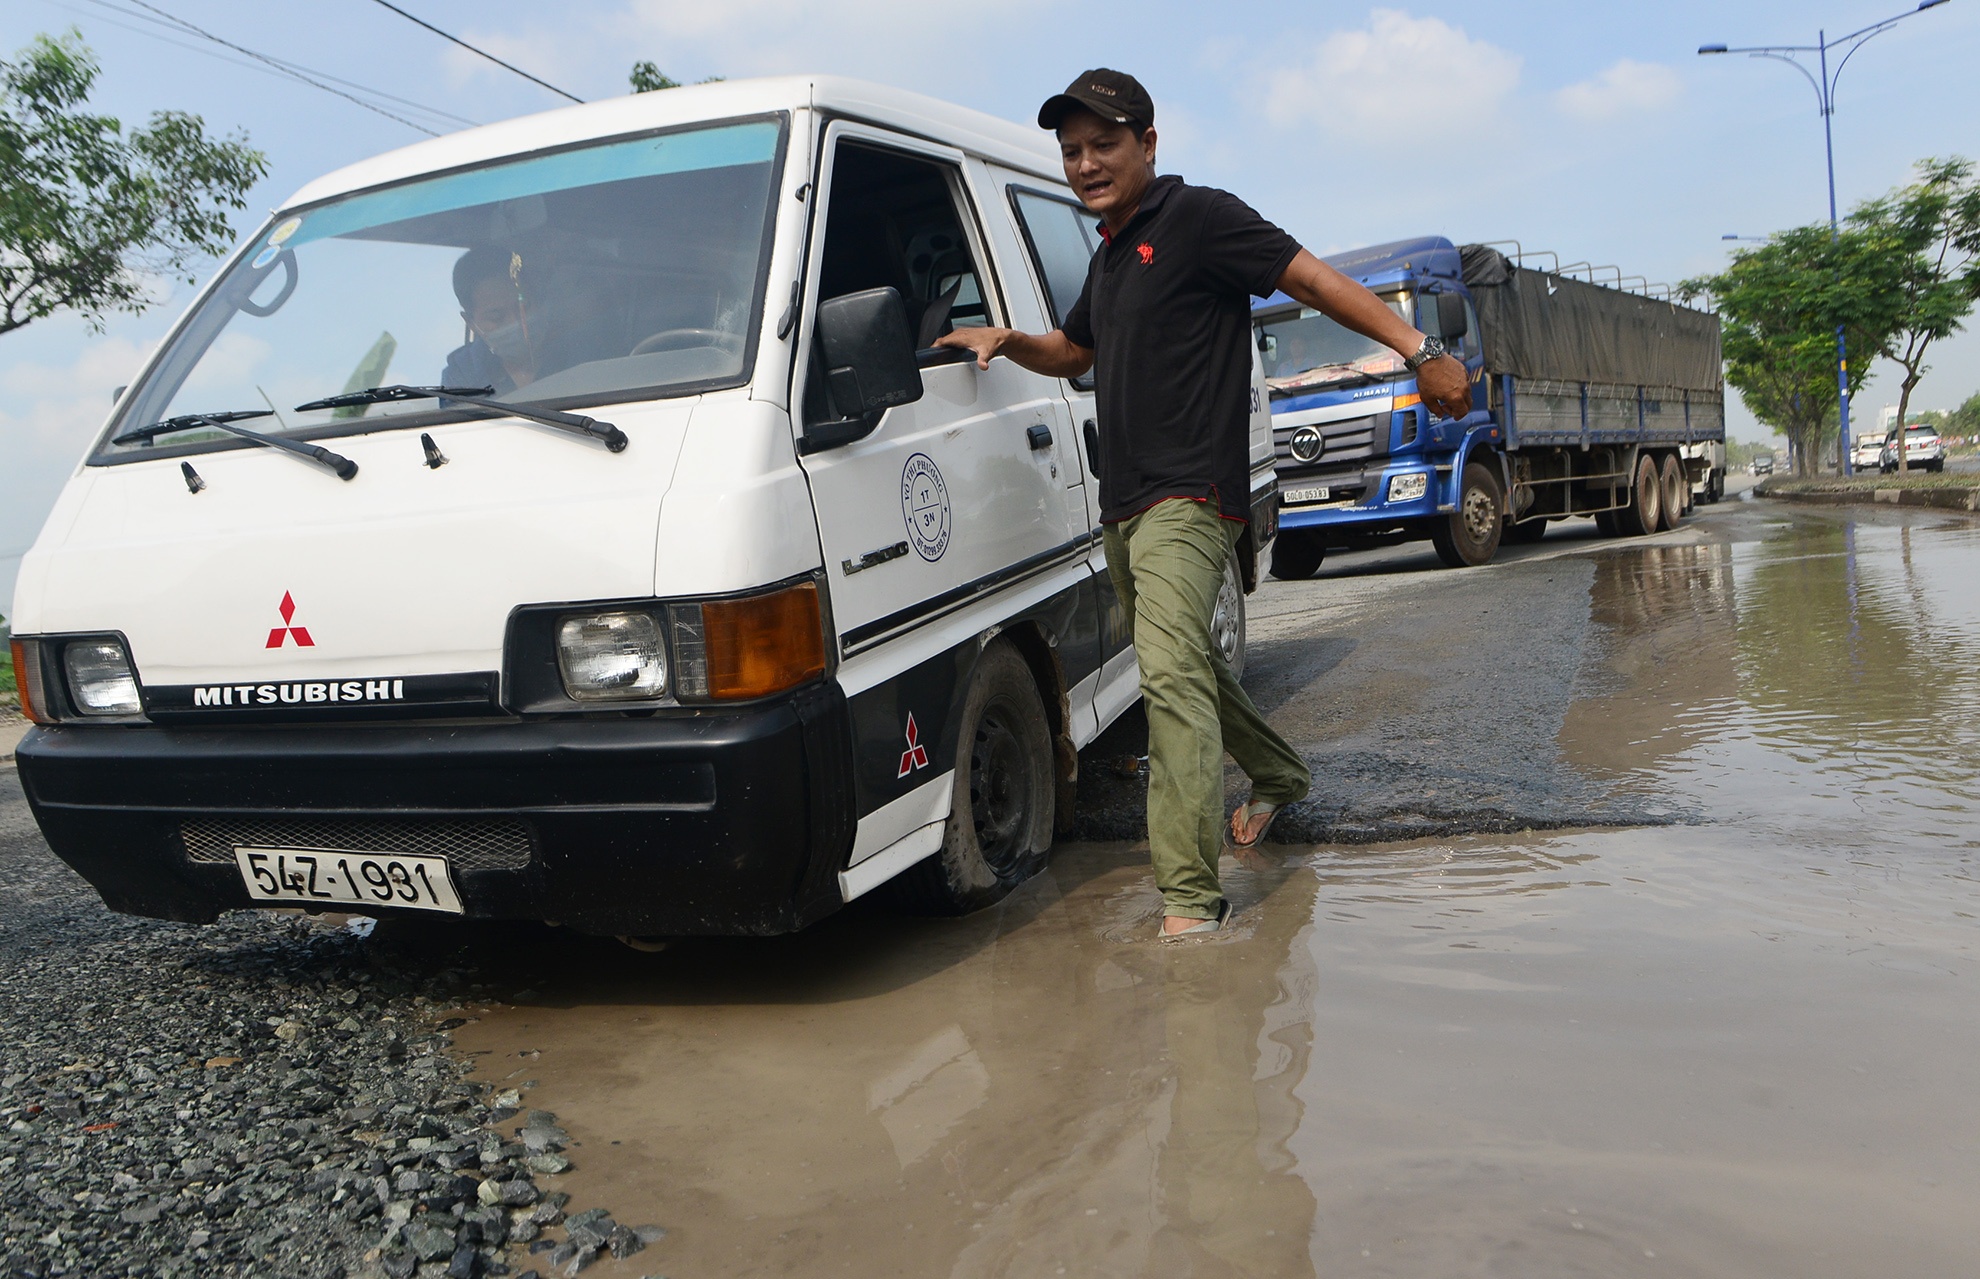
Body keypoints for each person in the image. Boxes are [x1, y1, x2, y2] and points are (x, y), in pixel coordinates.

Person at [936, 69, 1472, 939]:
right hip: (1127, 504)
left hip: (1193, 494)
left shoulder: (1201, 219)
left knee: (1170, 676)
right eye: (1071, 151)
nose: (1085, 163)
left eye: (1103, 144)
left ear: (1148, 144)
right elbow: (1077, 350)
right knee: (1191, 662)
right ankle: (1281, 775)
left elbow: (1311, 281)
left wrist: (1421, 348)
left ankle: (1189, 899)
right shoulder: (1111, 253)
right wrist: (1010, 341)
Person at [443, 245, 541, 394]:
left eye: (523, 308)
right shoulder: (462, 377)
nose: (515, 322)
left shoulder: (579, 352)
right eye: (496, 317)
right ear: (471, 323)